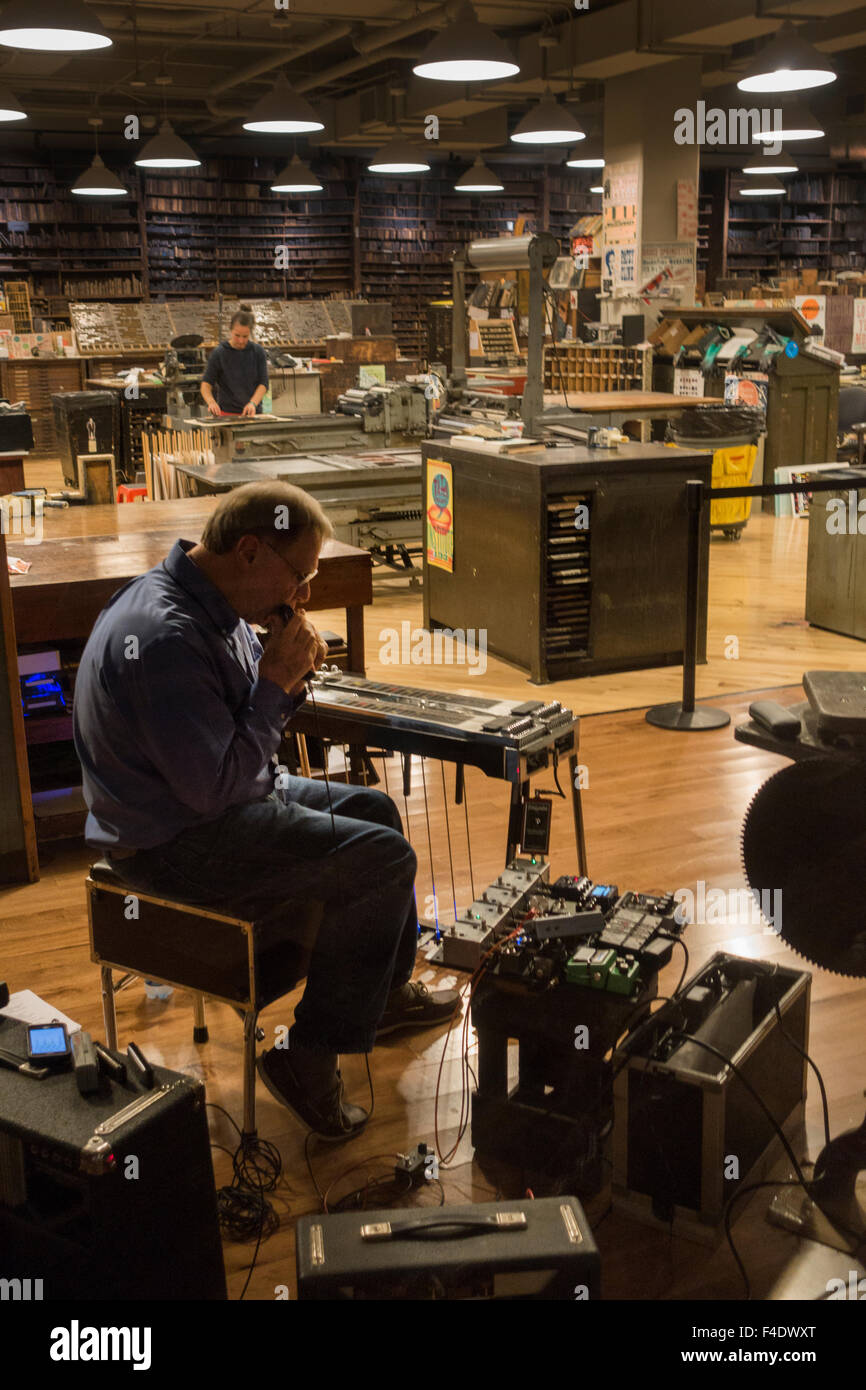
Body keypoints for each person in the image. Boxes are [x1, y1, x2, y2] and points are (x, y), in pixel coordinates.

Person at [73, 481, 458, 1141]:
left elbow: (237, 755)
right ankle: (307, 1059)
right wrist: (276, 684)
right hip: (172, 846)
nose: (302, 596)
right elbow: (216, 789)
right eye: (299, 576)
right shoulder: (164, 637)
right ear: (249, 550)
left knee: (377, 810)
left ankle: (383, 997)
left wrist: (279, 677)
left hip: (213, 806)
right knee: (383, 859)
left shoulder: (210, 604)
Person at [200, 305, 269, 418]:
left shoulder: (258, 352)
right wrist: (211, 402)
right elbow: (206, 384)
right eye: (237, 335)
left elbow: (263, 384)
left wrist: (252, 403)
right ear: (230, 330)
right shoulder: (219, 353)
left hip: (252, 414)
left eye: (245, 336)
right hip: (226, 415)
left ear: (250, 333)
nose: (241, 341)